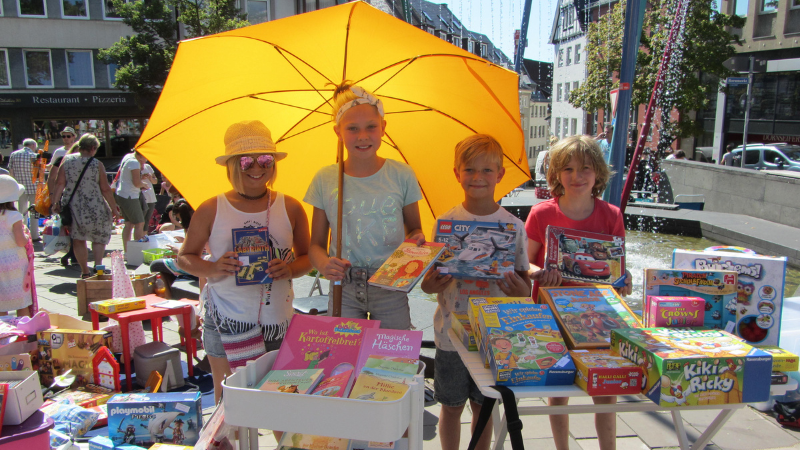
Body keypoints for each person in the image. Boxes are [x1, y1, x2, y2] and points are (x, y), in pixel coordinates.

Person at [178, 120, 311, 404]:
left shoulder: (291, 206)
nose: (257, 168)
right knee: (230, 403)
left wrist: (288, 269)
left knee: (281, 402)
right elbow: (184, 258)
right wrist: (212, 268)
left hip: (278, 319)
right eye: (246, 161)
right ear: (231, 165)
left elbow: (308, 258)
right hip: (226, 319)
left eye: (265, 160)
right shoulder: (211, 208)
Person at [421, 134, 531, 450]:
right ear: (457, 173)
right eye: (470, 170)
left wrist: (521, 290)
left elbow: (525, 289)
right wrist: (431, 285)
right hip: (449, 335)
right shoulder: (444, 222)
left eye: (486, 170)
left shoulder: (513, 226)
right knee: (451, 406)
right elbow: (429, 282)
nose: (477, 177)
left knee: (483, 408)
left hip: (493, 335)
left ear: (500, 175)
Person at [525, 135, 632, 450]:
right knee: (558, 388)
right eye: (568, 169)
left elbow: (619, 272)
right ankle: (562, 447)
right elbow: (525, 263)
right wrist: (540, 273)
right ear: (556, 173)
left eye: (585, 168)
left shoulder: (611, 215)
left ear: (597, 172)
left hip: (599, 316)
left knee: (606, 388)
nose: (577, 176)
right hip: (552, 315)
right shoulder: (542, 214)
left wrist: (625, 283)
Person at [304, 83, 425, 330]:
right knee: (345, 359)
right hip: (344, 288)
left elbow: (414, 229)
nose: (363, 136)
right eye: (352, 129)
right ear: (338, 132)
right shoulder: (325, 179)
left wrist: (417, 241)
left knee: (392, 359)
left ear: (383, 127)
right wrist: (324, 264)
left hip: (390, 286)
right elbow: (315, 245)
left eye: (371, 126)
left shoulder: (402, 174)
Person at [52, 134, 119, 279]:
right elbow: (105, 189)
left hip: (73, 205)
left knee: (78, 239)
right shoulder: (96, 164)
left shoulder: (67, 160)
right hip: (95, 205)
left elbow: (60, 183)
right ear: (93, 148)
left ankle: (85, 272)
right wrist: (114, 208)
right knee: (99, 237)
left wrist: (56, 202)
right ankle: (98, 267)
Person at [0, 175, 33, 317]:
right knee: (21, 301)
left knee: (1, 302)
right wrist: (27, 236)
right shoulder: (14, 215)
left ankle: (3, 333)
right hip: (15, 262)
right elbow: (20, 241)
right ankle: (23, 332)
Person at [47, 142, 79, 267]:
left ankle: (73, 253)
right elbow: (52, 178)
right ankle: (72, 253)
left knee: (76, 227)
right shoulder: (62, 160)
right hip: (65, 198)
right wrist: (52, 196)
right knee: (70, 226)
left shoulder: (87, 161)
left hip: (81, 199)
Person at [8, 139, 41, 242]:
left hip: (20, 187)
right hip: (34, 187)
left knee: (22, 211)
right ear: (33, 146)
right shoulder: (35, 156)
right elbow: (39, 173)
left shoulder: (14, 154)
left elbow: (11, 172)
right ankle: (35, 235)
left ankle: (23, 232)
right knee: (34, 211)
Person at [115, 150, 148, 253]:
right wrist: (144, 184)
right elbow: (137, 183)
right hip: (130, 195)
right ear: (141, 155)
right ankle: (137, 252)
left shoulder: (128, 156)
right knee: (139, 223)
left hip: (122, 194)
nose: (146, 161)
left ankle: (128, 252)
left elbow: (128, 177)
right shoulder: (134, 162)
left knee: (129, 224)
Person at [140, 161, 158, 233]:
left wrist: (150, 177)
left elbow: (155, 181)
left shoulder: (148, 166)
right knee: (141, 220)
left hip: (151, 196)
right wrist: (141, 177)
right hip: (141, 196)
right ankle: (139, 236)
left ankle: (145, 236)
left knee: (148, 219)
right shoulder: (135, 166)